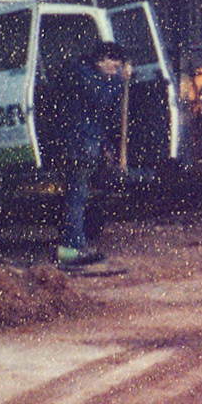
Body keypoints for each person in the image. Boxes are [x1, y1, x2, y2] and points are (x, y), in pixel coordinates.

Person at [50, 40, 131, 267]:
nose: (114, 70)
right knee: (76, 197)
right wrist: (119, 80)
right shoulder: (84, 76)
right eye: (114, 66)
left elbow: (99, 116)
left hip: (81, 144)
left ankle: (73, 245)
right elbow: (101, 99)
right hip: (77, 146)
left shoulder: (84, 73)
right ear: (102, 60)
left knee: (78, 196)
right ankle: (71, 248)